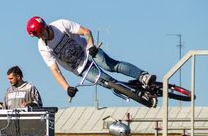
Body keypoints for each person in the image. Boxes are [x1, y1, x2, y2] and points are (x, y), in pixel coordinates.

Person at [26, 16, 156, 105]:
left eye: (41, 32)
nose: (41, 36)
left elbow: (85, 31)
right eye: (37, 35)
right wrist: (67, 88)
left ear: (45, 26)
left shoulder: (61, 25)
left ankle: (142, 76)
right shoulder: (42, 47)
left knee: (110, 66)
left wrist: (91, 45)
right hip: (80, 69)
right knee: (110, 83)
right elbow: (55, 70)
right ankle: (140, 94)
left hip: (88, 51)